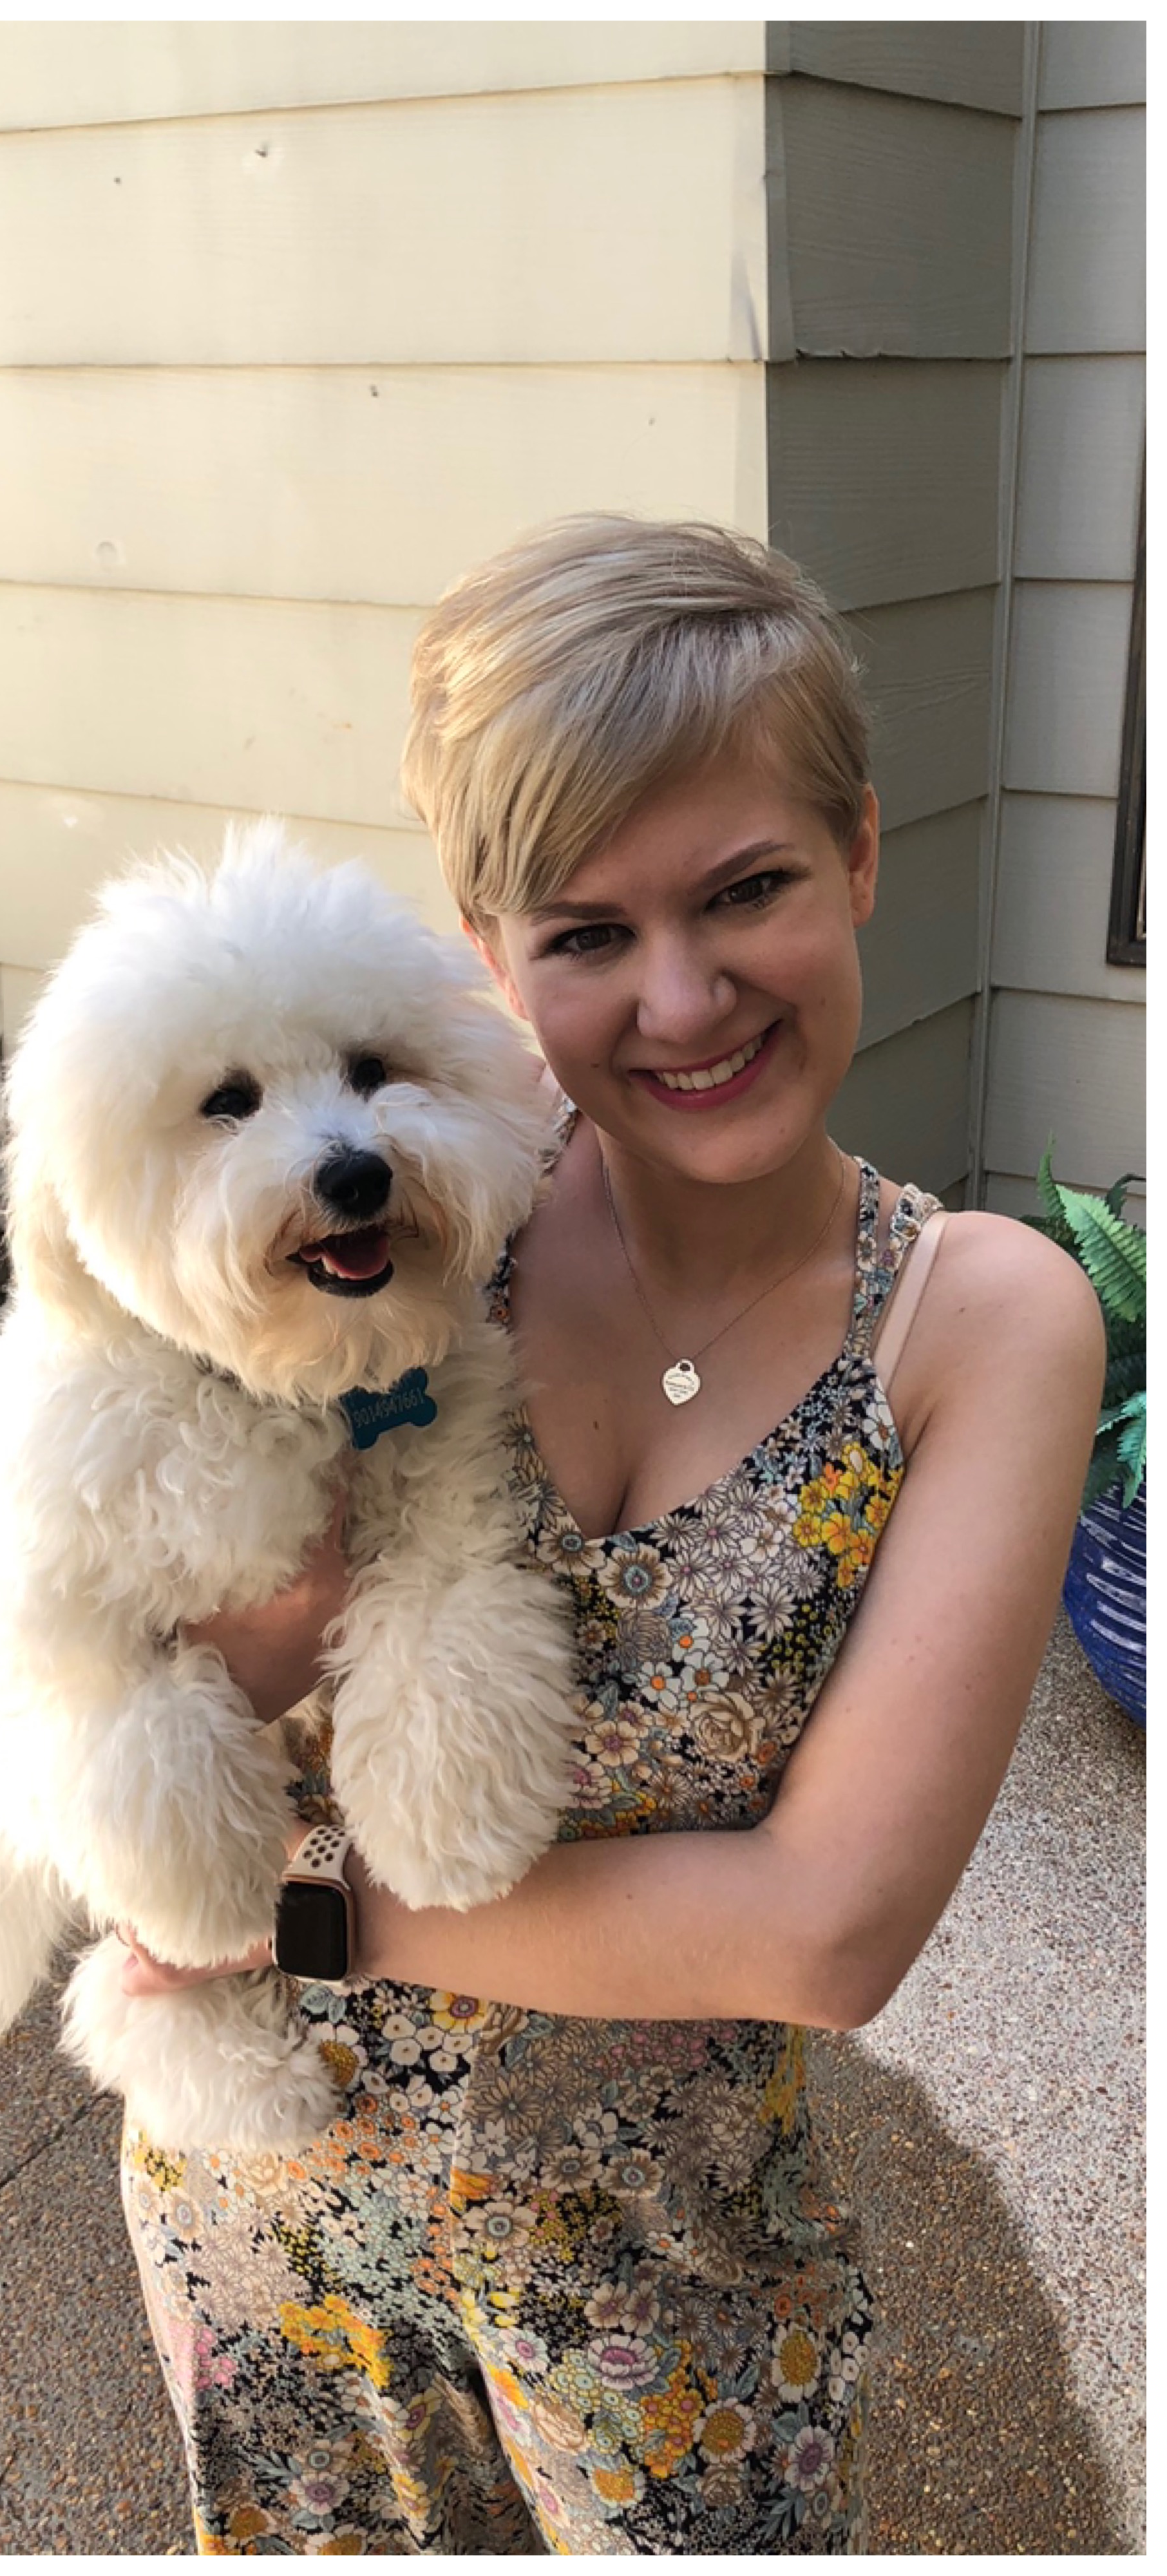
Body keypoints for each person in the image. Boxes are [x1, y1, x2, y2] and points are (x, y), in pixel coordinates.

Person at [116, 517, 1105, 2552]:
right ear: (488, 953)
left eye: (745, 889)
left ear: (860, 854)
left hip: (668, 2300)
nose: (682, 997)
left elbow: (825, 1932)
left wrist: (298, 1918)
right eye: (585, 935)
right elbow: (153, 1638)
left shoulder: (981, 1324)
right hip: (263, 2233)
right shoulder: (389, 1209)